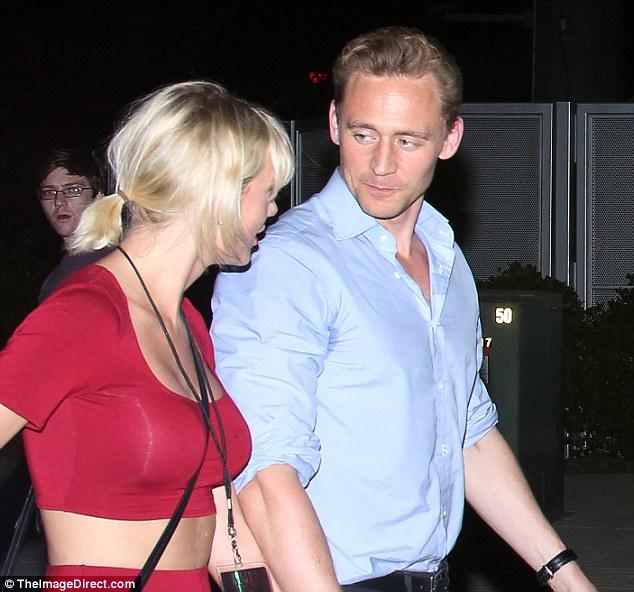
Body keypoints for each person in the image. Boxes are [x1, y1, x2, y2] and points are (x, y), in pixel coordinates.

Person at [211, 27, 596, 592]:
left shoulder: (444, 256)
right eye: (363, 134)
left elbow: (467, 432)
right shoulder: (289, 263)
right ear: (334, 123)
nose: (381, 164)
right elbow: (265, 472)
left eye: (408, 141)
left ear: (449, 138)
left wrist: (566, 576)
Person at [0, 80, 293, 591]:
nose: (272, 210)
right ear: (216, 192)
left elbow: (220, 522)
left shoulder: (186, 323)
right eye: (266, 193)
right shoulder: (85, 313)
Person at [36, 147, 111, 301]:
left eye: (72, 190)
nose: (59, 202)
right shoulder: (57, 276)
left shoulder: (110, 264)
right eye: (49, 193)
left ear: (98, 196)